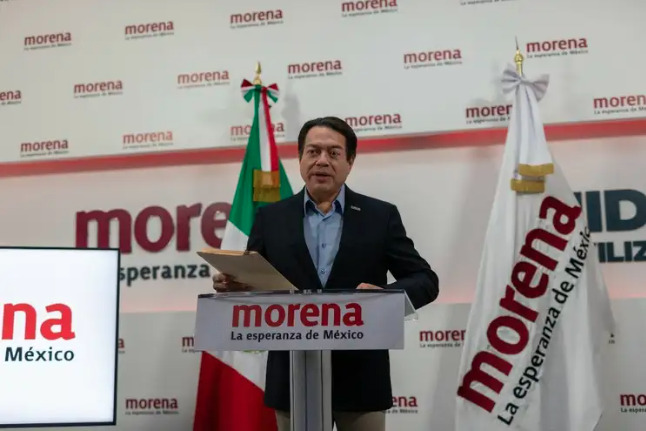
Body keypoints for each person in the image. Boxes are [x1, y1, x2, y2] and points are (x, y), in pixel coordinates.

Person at [213, 116, 439, 431]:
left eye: (333, 153)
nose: (322, 161)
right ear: (300, 158)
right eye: (313, 151)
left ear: (350, 162)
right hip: (292, 377)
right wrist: (236, 287)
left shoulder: (380, 216)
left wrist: (384, 300)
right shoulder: (270, 218)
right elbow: (257, 285)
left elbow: (426, 280)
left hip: (361, 379)